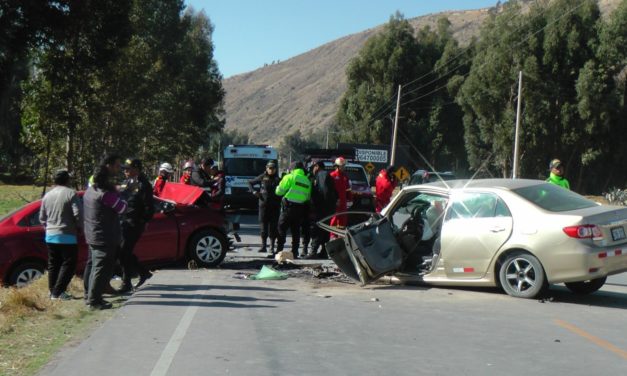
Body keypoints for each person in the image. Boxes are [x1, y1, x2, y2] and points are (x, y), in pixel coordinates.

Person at [83, 154, 127, 310]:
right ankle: (94, 301)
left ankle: (89, 295)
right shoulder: (106, 195)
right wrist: (122, 195)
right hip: (104, 236)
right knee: (101, 268)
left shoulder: (89, 191)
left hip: (92, 234)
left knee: (92, 265)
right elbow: (122, 208)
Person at [39, 169, 82, 300]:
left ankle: (52, 291)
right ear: (67, 180)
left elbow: (42, 217)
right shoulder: (71, 193)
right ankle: (58, 292)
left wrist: (48, 227)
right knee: (69, 264)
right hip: (67, 234)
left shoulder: (47, 195)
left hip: (50, 234)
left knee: (53, 264)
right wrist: (78, 227)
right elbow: (78, 214)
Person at [117, 158, 154, 293]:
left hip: (134, 223)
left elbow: (149, 207)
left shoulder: (144, 185)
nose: (125, 171)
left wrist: (143, 222)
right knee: (122, 252)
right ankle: (143, 272)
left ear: (137, 169)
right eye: (124, 169)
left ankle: (126, 283)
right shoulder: (126, 183)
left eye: (128, 168)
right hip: (123, 222)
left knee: (123, 251)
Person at [275, 161, 312, 258]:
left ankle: (279, 250)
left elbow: (279, 191)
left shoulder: (289, 177)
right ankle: (295, 252)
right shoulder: (306, 180)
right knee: (296, 231)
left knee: (281, 229)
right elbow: (308, 197)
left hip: (288, 207)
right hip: (300, 208)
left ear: (292, 168)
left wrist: (278, 188)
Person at [306, 161, 338, 259]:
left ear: (317, 166)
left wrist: (317, 204)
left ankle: (313, 252)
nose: (312, 170)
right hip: (328, 208)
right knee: (325, 230)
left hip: (322, 208)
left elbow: (325, 191)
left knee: (317, 229)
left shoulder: (322, 174)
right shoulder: (325, 175)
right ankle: (324, 252)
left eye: (313, 167)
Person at [248, 161, 281, 253]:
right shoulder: (262, 177)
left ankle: (272, 247)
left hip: (275, 207)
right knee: (263, 228)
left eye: (273, 168)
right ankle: (263, 246)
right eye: (270, 168)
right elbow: (250, 183)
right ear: (266, 168)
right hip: (263, 206)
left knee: (273, 228)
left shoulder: (278, 179)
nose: (271, 170)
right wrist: (254, 192)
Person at [329, 157, 352, 233]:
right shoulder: (332, 176)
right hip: (335, 202)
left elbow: (348, 189)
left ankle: (340, 235)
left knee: (343, 220)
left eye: (344, 166)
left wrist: (350, 199)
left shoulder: (345, 177)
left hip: (343, 203)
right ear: (337, 166)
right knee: (334, 219)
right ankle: (333, 235)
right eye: (342, 166)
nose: (344, 167)